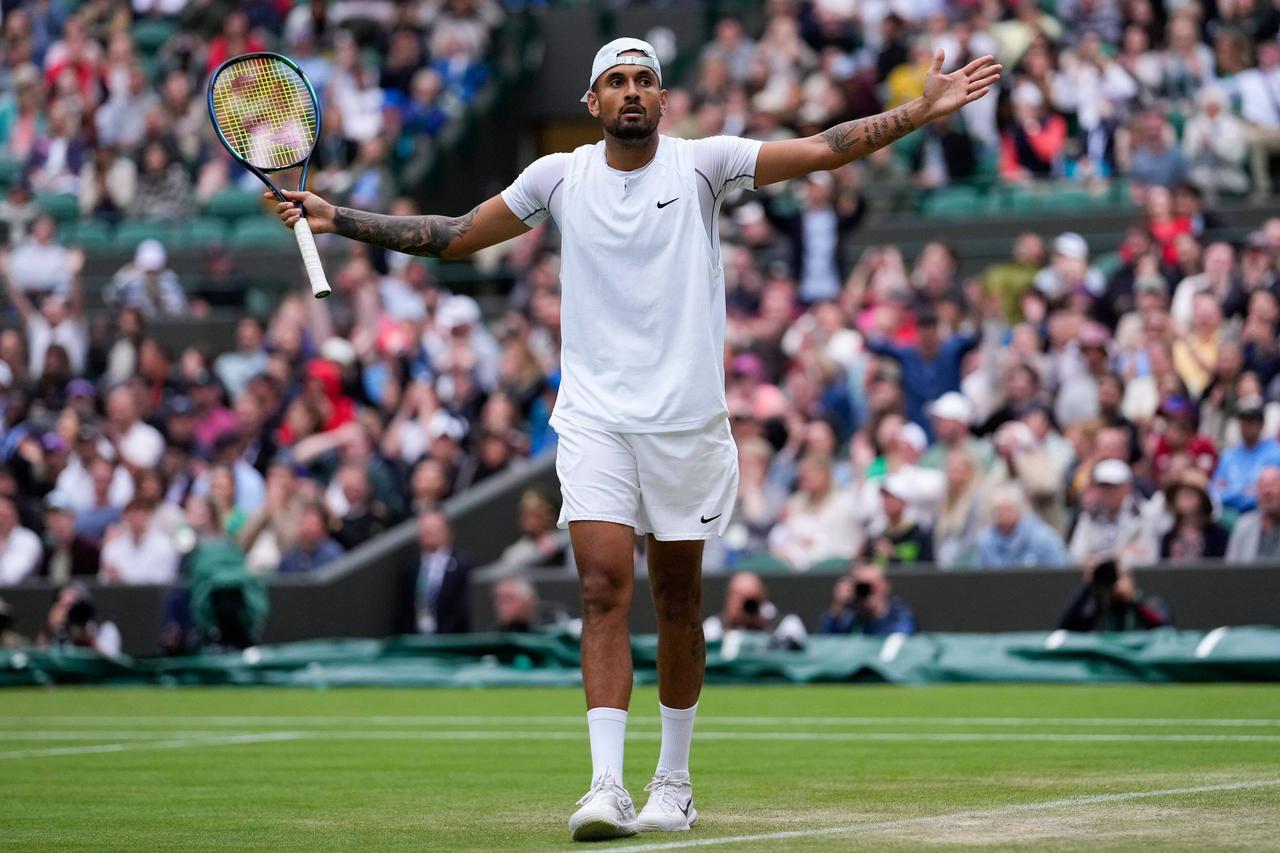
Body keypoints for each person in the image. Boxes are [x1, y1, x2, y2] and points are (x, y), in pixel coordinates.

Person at [272, 36, 1000, 841]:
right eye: (614, 81)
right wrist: (340, 218)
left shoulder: (704, 163)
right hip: (594, 420)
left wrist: (920, 110)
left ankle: (675, 780)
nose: (629, 92)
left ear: (663, 98)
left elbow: (826, 150)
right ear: (591, 103)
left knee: (679, 599)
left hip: (687, 421)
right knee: (601, 589)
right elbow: (451, 235)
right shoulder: (559, 176)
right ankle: (606, 785)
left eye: (643, 81)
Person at [396, 510, 471, 635]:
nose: (429, 533)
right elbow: (403, 610)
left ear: (447, 532)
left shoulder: (463, 565)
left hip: (451, 640)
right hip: (416, 639)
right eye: (425, 530)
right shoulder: (410, 568)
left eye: (434, 529)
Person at [1057, 560, 1171, 632]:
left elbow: (1165, 627)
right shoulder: (1099, 608)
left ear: (1131, 579)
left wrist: (1132, 600)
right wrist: (1088, 586)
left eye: (1119, 576)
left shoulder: (1149, 602)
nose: (1114, 582)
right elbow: (1065, 627)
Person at [974, 484, 1070, 569]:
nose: (1002, 515)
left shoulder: (1044, 539)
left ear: (1020, 509)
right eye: (998, 510)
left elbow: (1059, 572)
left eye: (1007, 509)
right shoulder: (985, 541)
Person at [818, 563, 917, 636]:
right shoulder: (850, 615)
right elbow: (826, 643)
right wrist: (837, 609)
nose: (870, 591)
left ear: (885, 585)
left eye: (874, 585)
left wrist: (877, 614)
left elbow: (901, 637)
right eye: (863, 586)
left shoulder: (898, 612)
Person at [99, 498, 180, 585]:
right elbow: (103, 582)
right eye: (133, 512)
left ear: (150, 515)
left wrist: (122, 580)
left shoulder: (165, 547)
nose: (137, 517)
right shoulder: (111, 548)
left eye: (142, 511)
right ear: (125, 516)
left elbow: (162, 582)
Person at [1226, 465, 1280, 563]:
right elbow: (1231, 568)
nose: (1267, 491)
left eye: (1273, 485)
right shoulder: (1243, 525)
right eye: (1262, 486)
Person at [277, 502, 345, 574]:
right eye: (304, 523)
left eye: (312, 524)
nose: (306, 529)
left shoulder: (333, 556)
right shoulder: (289, 557)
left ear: (323, 528)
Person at [0, 493, 42, 584]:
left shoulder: (27, 539)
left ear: (15, 515)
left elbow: (10, 577)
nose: (1, 521)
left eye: (4, 515)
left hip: (23, 595)